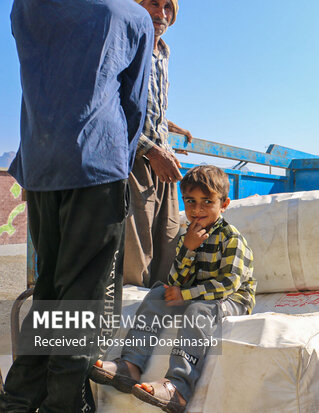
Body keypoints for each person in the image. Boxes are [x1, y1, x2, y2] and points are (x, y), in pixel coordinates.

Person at [0, 1, 153, 412]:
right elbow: (134, 107)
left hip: (41, 164)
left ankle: (17, 400)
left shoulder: (25, 8)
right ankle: (65, 404)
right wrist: (118, 159)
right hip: (96, 166)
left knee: (51, 292)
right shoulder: (133, 17)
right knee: (80, 302)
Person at [90, 165, 256, 413]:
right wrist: (188, 249)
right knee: (157, 294)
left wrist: (185, 295)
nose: (196, 209)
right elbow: (175, 280)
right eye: (190, 201)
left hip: (232, 299)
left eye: (206, 202)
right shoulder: (185, 236)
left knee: (198, 311)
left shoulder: (231, 238)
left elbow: (228, 285)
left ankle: (178, 387)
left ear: (223, 204)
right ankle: (130, 365)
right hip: (196, 293)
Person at [125, 0, 196, 288]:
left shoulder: (164, 52)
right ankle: (130, 319)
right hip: (136, 156)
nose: (161, 13)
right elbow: (116, 106)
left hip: (162, 155)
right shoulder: (128, 42)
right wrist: (151, 150)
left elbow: (148, 104)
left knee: (167, 238)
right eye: (153, 4)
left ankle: (157, 310)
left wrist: (168, 125)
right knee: (137, 244)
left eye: (168, 7)